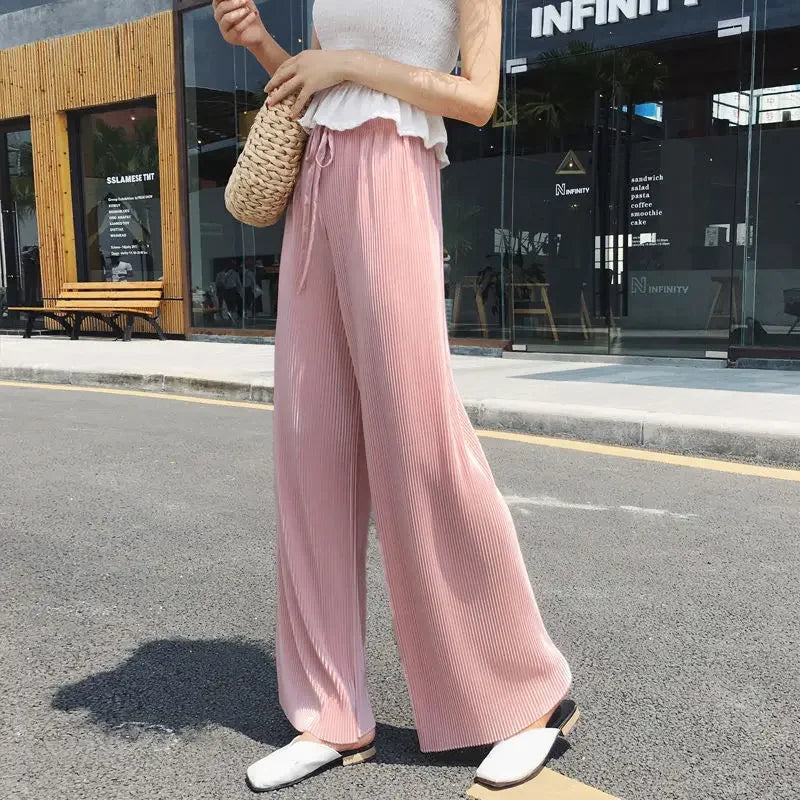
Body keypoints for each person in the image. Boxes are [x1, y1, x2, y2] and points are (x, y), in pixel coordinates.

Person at [213, 0, 578, 793]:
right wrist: (260, 43)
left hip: (392, 169)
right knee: (311, 445)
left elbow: (477, 98)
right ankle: (331, 712)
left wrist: (347, 63)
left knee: (417, 436)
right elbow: (309, 83)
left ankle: (527, 698)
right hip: (315, 182)